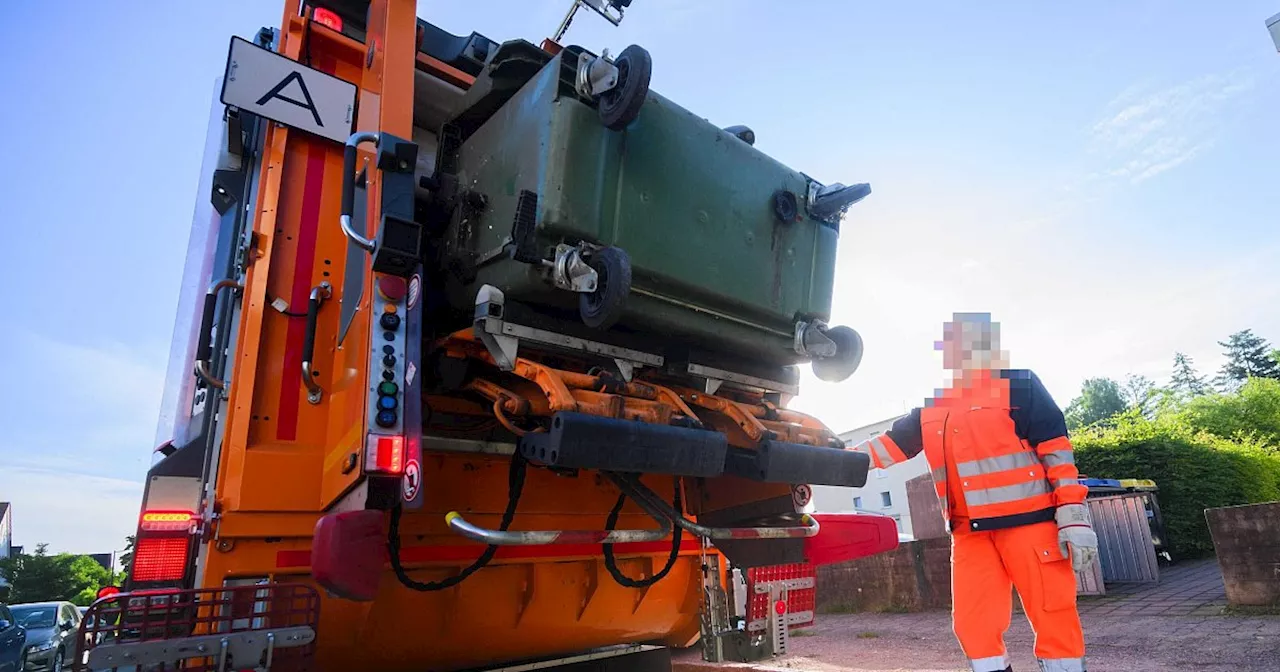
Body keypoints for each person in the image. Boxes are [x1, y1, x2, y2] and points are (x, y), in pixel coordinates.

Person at [850, 313, 1098, 672]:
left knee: (1053, 615)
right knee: (972, 624)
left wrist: (1073, 518)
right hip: (970, 535)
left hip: (1031, 526)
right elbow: (886, 447)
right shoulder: (932, 409)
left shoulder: (1019, 385)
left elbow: (1057, 453)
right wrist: (828, 460)